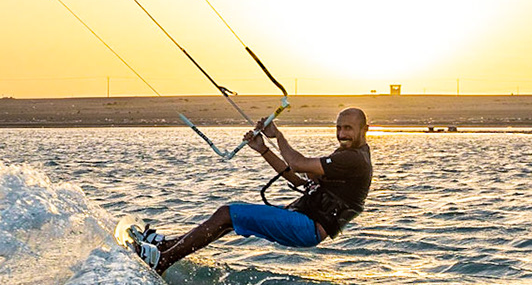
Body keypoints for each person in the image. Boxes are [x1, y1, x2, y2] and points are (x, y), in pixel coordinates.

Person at [142, 107, 372, 274]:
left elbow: (298, 163)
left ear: (365, 130)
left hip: (308, 227)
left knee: (227, 213)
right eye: (339, 128)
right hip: (300, 220)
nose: (342, 134)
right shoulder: (344, 156)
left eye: (348, 128)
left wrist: (278, 136)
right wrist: (263, 149)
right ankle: (165, 247)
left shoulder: (355, 159)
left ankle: (162, 260)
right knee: (230, 221)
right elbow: (298, 179)